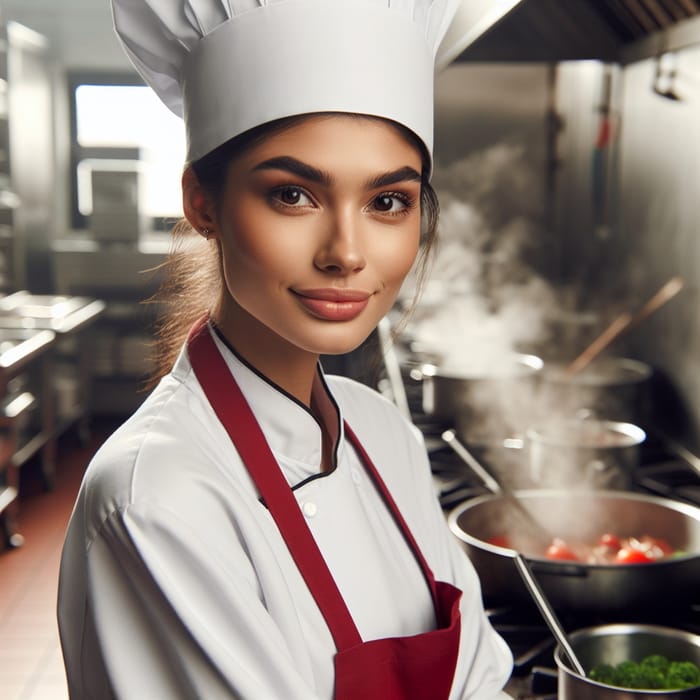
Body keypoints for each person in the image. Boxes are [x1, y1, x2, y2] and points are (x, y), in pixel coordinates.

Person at [57, 1, 514, 698]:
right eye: (294, 194)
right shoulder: (157, 497)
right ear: (201, 203)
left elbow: (480, 676)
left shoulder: (382, 432)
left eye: (388, 201)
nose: (347, 254)